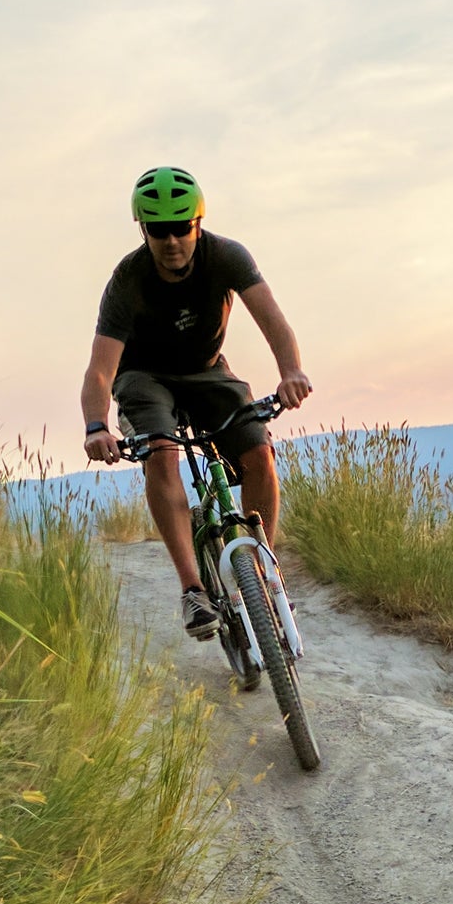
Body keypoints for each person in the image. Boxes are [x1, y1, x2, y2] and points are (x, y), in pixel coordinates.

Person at [81, 166, 313, 639]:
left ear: (198, 223)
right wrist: (96, 425)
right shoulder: (128, 279)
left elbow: (273, 320)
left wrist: (291, 371)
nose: (171, 241)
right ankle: (193, 589)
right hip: (144, 378)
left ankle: (264, 570)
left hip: (208, 370)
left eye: (181, 227)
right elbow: (101, 368)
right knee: (161, 456)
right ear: (143, 230)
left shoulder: (226, 256)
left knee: (259, 452)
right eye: (158, 230)